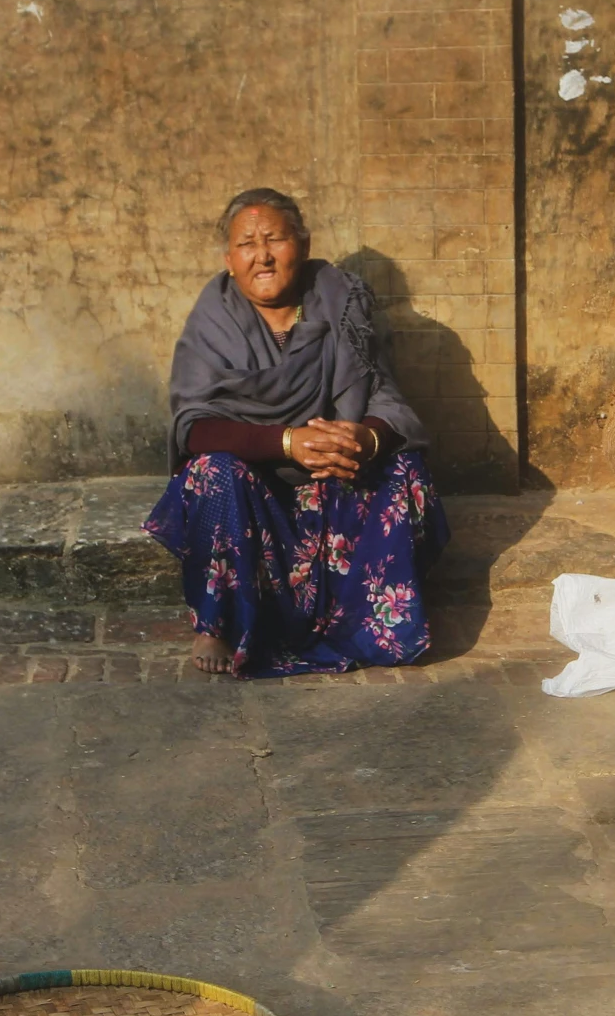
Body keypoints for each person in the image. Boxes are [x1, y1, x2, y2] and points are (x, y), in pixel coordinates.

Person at [144, 188, 450, 676]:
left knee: (405, 468)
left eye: (275, 239)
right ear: (230, 259)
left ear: (303, 246)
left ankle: (373, 623)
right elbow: (194, 428)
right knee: (212, 472)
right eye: (247, 244)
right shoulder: (212, 321)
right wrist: (287, 442)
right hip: (259, 496)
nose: (262, 255)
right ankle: (220, 622)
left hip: (335, 483)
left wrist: (360, 439)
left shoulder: (343, 304)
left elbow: (389, 401)